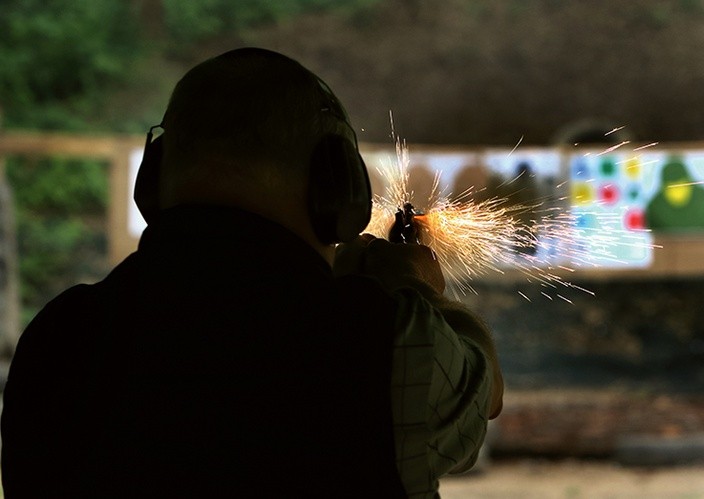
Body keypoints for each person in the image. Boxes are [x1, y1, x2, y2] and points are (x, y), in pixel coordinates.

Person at [1, 48, 503, 498]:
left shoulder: (60, 336)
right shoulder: (374, 340)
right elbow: (484, 393)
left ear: (152, 178)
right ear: (338, 189)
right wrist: (409, 287)